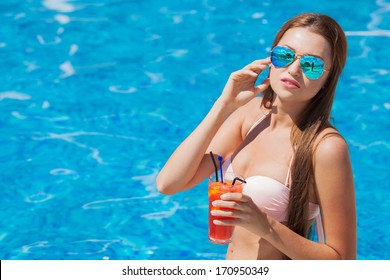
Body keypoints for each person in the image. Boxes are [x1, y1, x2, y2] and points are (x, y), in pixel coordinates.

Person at [156, 12, 356, 260]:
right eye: (284, 55)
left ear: (327, 78)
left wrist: (266, 225)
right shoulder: (250, 115)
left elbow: (343, 261)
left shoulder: (325, 147)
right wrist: (223, 106)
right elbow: (168, 183)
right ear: (270, 59)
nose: (293, 69)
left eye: (311, 65)